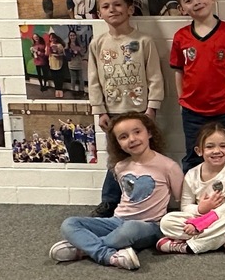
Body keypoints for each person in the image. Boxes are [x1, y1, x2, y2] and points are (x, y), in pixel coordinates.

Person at [49, 113, 182, 270]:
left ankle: (84, 249)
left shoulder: (168, 166)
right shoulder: (120, 167)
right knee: (69, 223)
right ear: (118, 143)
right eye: (123, 137)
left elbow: (182, 199)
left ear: (150, 133)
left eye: (137, 132)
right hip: (117, 221)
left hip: (150, 225)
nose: (132, 139)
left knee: (129, 229)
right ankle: (108, 256)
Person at [88, 0, 165, 217]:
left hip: (140, 110)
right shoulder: (97, 44)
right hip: (112, 112)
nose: (112, 9)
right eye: (105, 6)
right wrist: (99, 110)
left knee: (143, 155)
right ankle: (110, 200)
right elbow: (93, 80)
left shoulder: (143, 41)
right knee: (116, 158)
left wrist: (152, 107)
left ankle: (146, 199)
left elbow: (154, 76)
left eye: (118, 4)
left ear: (130, 8)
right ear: (99, 13)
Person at [169, 0, 225, 172]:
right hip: (193, 111)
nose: (196, 2)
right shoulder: (181, 37)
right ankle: (194, 199)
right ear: (182, 9)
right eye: (188, 0)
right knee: (194, 155)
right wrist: (182, 100)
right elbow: (179, 71)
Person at [157, 123, 225, 254]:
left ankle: (187, 246)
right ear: (199, 151)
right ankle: (220, 239)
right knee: (166, 221)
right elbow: (185, 207)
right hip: (199, 216)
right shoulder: (191, 174)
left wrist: (201, 224)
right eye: (210, 146)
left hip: (224, 216)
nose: (217, 151)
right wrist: (201, 208)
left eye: (223, 146)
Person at [46, 32, 68, 99]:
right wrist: (48, 50)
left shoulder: (59, 45)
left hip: (59, 63)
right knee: (54, 77)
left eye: (53, 38)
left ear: (56, 38)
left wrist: (58, 54)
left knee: (60, 77)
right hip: (52, 64)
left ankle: (60, 89)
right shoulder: (48, 45)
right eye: (51, 38)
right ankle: (56, 90)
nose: (52, 39)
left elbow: (63, 54)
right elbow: (46, 54)